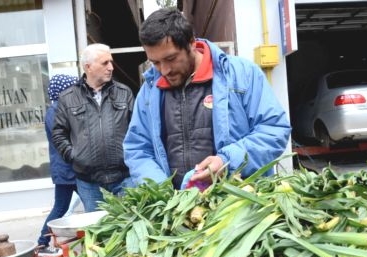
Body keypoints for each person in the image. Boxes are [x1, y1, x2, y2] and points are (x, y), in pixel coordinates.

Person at [123, 8, 291, 189]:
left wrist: (227, 160)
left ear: (191, 43)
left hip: (239, 203)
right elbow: (137, 148)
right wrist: (161, 191)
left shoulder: (242, 74)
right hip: (179, 210)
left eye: (171, 58)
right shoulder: (149, 91)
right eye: (155, 62)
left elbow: (273, 129)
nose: (164, 70)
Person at [52, 43, 134, 211]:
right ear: (88, 67)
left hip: (124, 178)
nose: (111, 67)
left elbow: (137, 130)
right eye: (105, 63)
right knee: (99, 233)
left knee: (130, 229)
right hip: (89, 183)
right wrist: (74, 156)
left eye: (111, 62)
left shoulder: (124, 93)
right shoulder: (68, 98)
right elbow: (59, 133)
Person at [38, 74, 81, 257]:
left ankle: (42, 243)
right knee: (88, 204)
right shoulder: (55, 112)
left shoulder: (58, 109)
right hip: (67, 170)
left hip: (67, 170)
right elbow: (65, 139)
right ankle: (42, 242)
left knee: (64, 206)